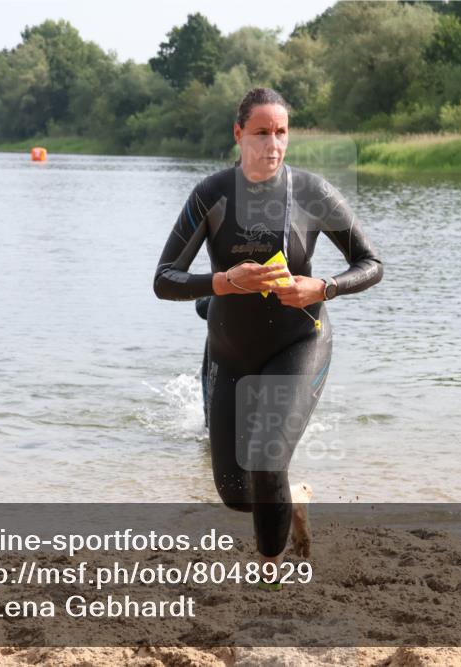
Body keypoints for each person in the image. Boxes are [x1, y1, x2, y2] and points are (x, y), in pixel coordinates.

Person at [153, 87, 383, 590]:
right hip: (230, 350)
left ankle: (269, 577)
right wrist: (223, 283)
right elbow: (164, 279)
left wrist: (322, 286)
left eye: (281, 132)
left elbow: (371, 264)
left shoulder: (313, 194)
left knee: (266, 455)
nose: (272, 144)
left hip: (298, 342)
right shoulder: (211, 195)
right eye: (261, 133)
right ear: (239, 135)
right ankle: (292, 497)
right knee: (237, 493)